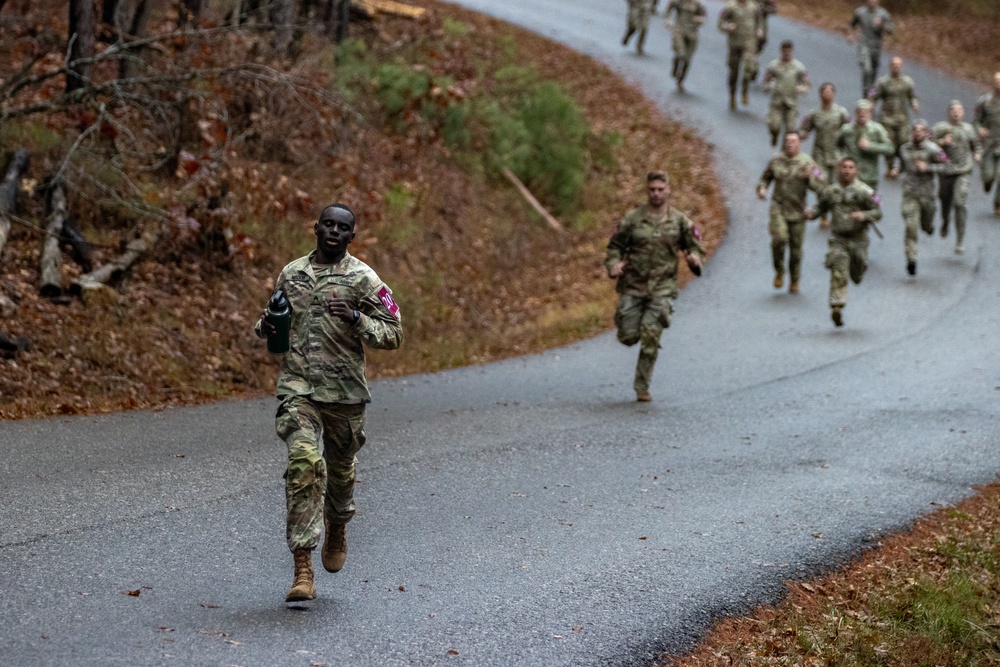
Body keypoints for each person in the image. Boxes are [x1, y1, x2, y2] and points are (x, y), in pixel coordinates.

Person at [256, 203, 403, 603]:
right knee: (303, 463)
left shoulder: (363, 278)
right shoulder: (292, 273)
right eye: (329, 225)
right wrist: (266, 325)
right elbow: (271, 319)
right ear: (316, 228)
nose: (334, 232)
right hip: (298, 389)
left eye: (343, 228)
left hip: (345, 394)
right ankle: (302, 567)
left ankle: (337, 522)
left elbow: (393, 333)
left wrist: (357, 318)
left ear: (351, 236)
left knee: (340, 474)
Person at [606, 171, 705, 402]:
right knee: (629, 337)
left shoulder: (680, 221)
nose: (656, 194)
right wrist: (613, 265)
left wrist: (695, 260)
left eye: (661, 189)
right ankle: (632, 325)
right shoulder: (632, 219)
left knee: (651, 334)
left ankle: (642, 386)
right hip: (633, 285)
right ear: (647, 190)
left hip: (663, 287)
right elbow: (614, 247)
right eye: (652, 189)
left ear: (668, 190)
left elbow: (696, 248)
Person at [806, 158, 882, 327]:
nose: (847, 170)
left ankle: (860, 268)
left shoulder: (865, 191)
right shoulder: (831, 191)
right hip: (838, 239)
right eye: (844, 167)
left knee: (856, 273)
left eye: (851, 167)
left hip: (858, 239)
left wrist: (865, 215)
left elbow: (878, 212)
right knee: (838, 270)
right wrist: (811, 214)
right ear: (839, 170)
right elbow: (821, 207)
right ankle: (837, 306)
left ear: (856, 171)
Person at [756, 132, 826, 293]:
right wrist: (762, 188)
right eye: (787, 141)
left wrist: (812, 177)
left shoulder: (807, 162)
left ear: (799, 144)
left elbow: (822, 185)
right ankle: (779, 270)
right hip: (778, 207)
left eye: (793, 141)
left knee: (796, 249)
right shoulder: (775, 160)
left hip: (798, 210)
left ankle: (794, 280)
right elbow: (765, 177)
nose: (789, 144)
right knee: (779, 239)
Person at [899, 120, 949, 276]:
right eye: (915, 130)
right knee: (910, 227)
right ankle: (911, 259)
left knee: (926, 226)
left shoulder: (934, 149)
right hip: (910, 194)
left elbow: (948, 166)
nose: (917, 133)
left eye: (921, 130)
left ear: (927, 133)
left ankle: (928, 226)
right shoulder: (904, 149)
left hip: (927, 195)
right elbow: (902, 165)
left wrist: (928, 167)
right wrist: (896, 169)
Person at [799, 83, 851, 226]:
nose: (827, 94)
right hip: (819, 156)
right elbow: (803, 129)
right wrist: (803, 135)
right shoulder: (814, 114)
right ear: (820, 94)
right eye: (824, 91)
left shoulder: (841, 113)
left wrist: (850, 149)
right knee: (820, 185)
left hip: (836, 156)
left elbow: (850, 130)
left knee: (836, 186)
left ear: (834, 94)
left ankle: (836, 213)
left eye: (830, 91)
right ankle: (823, 213)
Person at [933, 101, 982, 254]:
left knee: (960, 203)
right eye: (953, 110)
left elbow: (977, 145)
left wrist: (977, 154)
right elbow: (927, 144)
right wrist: (942, 142)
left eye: (959, 110)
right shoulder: (941, 128)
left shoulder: (968, 129)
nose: (956, 113)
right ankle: (945, 220)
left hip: (963, 171)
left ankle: (960, 239)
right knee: (945, 200)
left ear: (963, 113)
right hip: (946, 171)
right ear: (948, 113)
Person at [869, 56, 919, 179]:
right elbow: (872, 93)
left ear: (901, 67)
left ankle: (902, 166)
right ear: (890, 66)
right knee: (889, 144)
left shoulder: (907, 82)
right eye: (894, 65)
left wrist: (914, 103)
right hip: (887, 118)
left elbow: (913, 95)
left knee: (903, 142)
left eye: (898, 65)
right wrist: (871, 103)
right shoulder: (883, 81)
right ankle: (890, 167)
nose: (896, 67)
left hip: (902, 118)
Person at [835, 99, 894, 191]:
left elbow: (890, 148)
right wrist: (840, 158)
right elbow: (836, 145)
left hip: (869, 175)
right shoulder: (847, 129)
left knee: (871, 201)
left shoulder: (877, 129)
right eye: (860, 112)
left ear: (870, 113)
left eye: (865, 112)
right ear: (856, 112)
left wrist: (870, 146)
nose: (862, 114)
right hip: (850, 175)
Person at [762, 40, 810, 147]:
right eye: (784, 51)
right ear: (781, 51)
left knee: (791, 129)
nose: (786, 54)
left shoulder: (798, 67)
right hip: (777, 101)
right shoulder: (773, 65)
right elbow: (765, 80)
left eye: (789, 51)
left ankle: (785, 151)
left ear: (792, 52)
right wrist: (768, 85)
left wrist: (801, 88)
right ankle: (774, 135)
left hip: (791, 102)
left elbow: (806, 83)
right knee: (774, 125)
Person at [718, 0, 763, 109]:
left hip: (749, 42)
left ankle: (744, 91)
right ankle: (732, 95)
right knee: (734, 70)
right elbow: (720, 23)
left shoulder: (753, 6)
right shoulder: (730, 7)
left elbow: (759, 21)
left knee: (749, 67)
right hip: (735, 44)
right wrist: (727, 26)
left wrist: (759, 30)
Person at [848, 0, 894, 98]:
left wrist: (882, 25)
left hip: (876, 46)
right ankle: (865, 94)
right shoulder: (860, 12)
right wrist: (851, 36)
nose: (871, 1)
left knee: (873, 71)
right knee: (867, 69)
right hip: (863, 43)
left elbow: (890, 30)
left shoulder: (883, 14)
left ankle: (870, 94)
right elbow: (852, 24)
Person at [664, 0, 707, 92]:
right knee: (681, 54)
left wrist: (700, 20)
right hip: (679, 30)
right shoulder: (678, 2)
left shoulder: (698, 4)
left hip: (692, 33)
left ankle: (681, 80)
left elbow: (704, 17)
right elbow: (668, 9)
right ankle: (675, 66)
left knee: (688, 60)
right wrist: (667, 20)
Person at [973, 72, 1000, 216]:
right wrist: (980, 129)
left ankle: (998, 204)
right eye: (996, 81)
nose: (999, 84)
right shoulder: (985, 101)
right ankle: (987, 182)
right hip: (989, 144)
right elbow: (976, 120)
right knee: (989, 175)